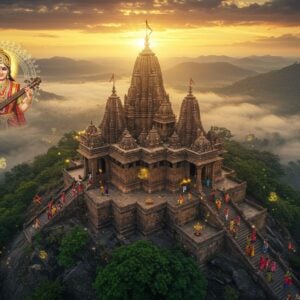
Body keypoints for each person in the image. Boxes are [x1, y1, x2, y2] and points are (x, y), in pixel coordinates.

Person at [0, 48, 33, 129]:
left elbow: (20, 109)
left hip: (9, 125)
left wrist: (29, 99)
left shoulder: (14, 87)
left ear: (8, 71)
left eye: (4, 69)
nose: (0, 72)